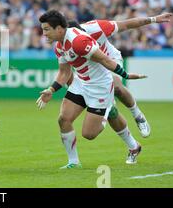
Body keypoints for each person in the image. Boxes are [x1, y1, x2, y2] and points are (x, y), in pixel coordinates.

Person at [37, 10, 147, 168]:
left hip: (100, 86)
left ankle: (116, 118)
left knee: (89, 134)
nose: (44, 33)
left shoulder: (79, 41)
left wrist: (126, 75)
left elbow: (105, 60)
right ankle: (73, 162)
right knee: (63, 119)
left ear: (59, 29)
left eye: (46, 29)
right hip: (81, 83)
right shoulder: (59, 46)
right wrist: (51, 90)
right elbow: (64, 72)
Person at [66, 13, 173, 138]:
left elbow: (127, 24)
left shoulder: (97, 27)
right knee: (110, 114)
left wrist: (154, 19)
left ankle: (138, 115)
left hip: (110, 59)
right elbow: (66, 69)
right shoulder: (65, 42)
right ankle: (132, 145)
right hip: (92, 70)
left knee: (116, 86)